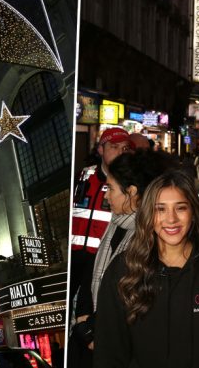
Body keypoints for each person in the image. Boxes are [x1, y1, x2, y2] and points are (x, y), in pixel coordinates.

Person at [94, 170, 199, 368]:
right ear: (148, 214)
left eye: (180, 208)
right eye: (160, 209)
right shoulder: (123, 270)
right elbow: (109, 352)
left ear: (193, 212)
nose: (171, 219)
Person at [69, 150, 177, 367]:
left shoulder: (148, 234)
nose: (105, 195)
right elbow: (94, 278)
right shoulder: (114, 224)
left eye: (110, 188)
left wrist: (95, 328)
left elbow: (135, 299)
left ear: (132, 192)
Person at [70, 128, 134, 314]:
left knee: (87, 310)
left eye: (125, 148)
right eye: (114, 146)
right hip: (74, 256)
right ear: (100, 149)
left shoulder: (128, 183)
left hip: (102, 257)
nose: (120, 152)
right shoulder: (83, 176)